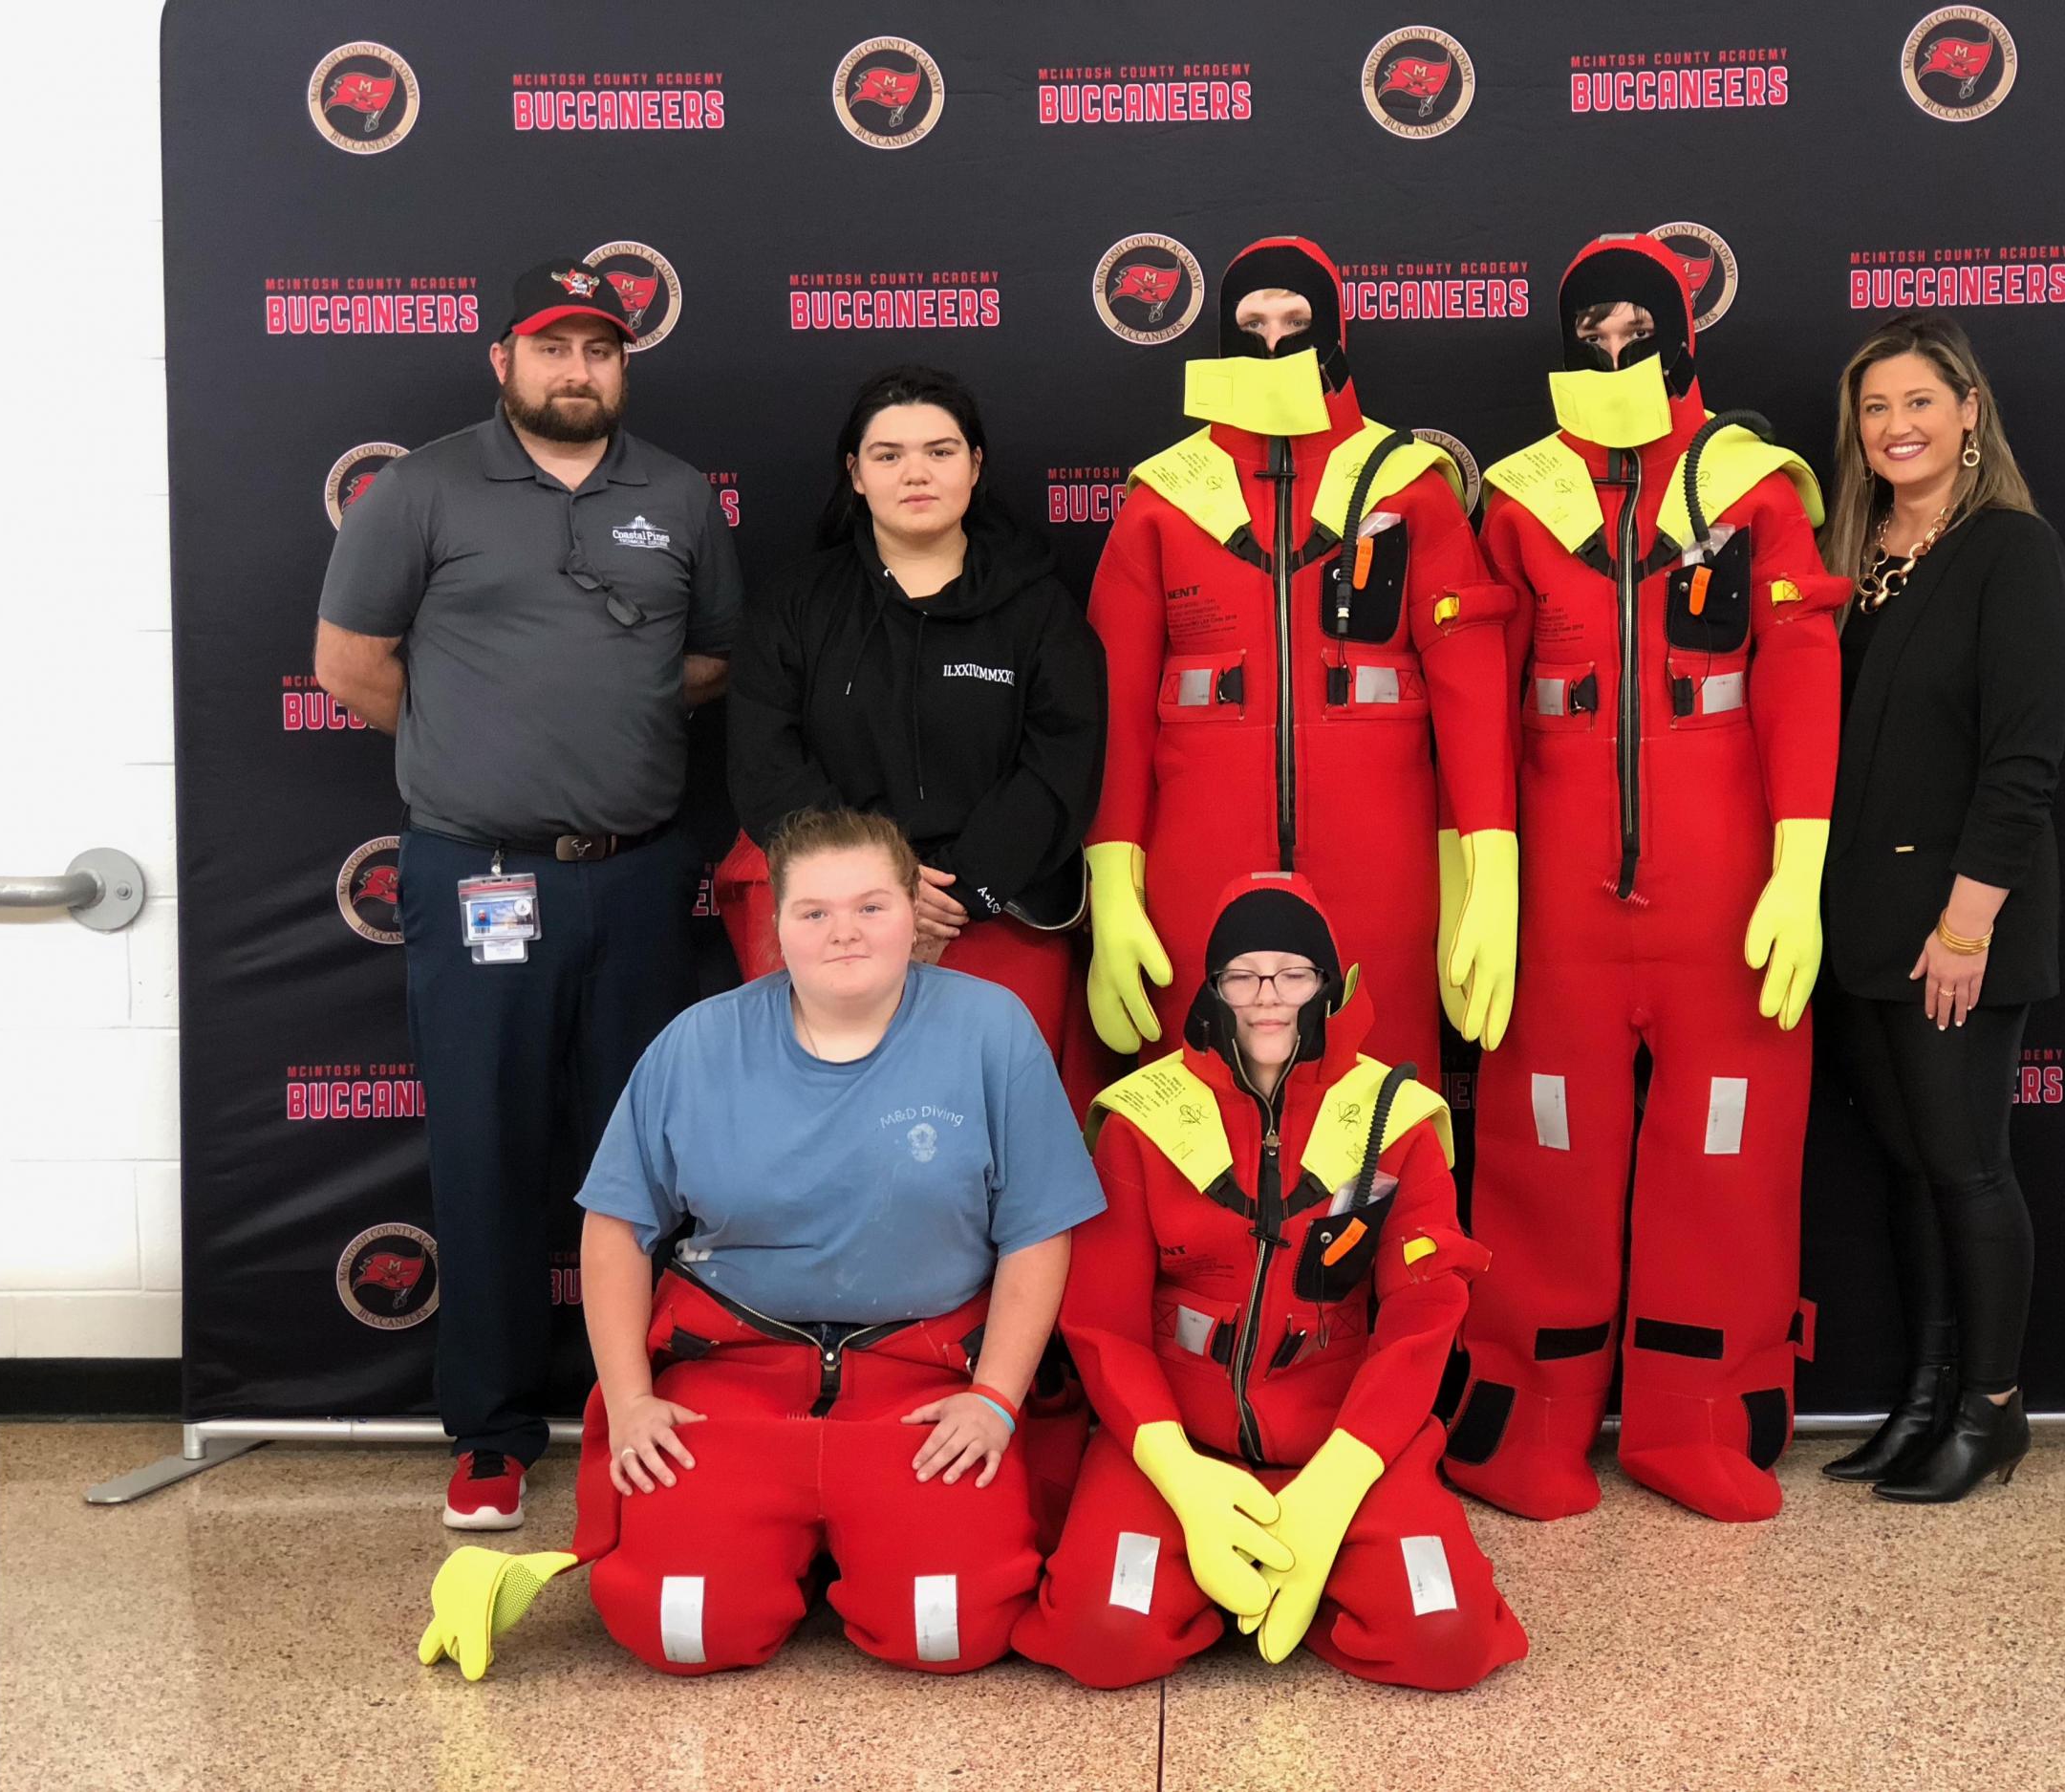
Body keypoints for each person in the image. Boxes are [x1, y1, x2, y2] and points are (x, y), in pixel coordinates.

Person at [416, 808, 1106, 1680]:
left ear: (914, 911)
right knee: (684, 1631)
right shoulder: (697, 1044)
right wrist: (629, 1402)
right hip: (735, 1372)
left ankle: (843, 1540)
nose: (843, 932)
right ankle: (788, 1540)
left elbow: (1040, 1226)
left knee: (948, 1631)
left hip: (922, 1379)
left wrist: (997, 1398)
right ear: (775, 924)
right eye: (813, 911)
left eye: (870, 906)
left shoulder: (991, 1029)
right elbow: (615, 1227)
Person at [314, 257, 742, 1529]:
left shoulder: (674, 494)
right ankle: (493, 1432)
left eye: (601, 350)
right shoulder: (426, 485)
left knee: (651, 1152)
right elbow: (349, 664)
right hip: (477, 873)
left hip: (638, 871)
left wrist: (596, 723)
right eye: (554, 348)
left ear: (624, 364)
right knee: (488, 1148)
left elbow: (714, 657)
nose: (578, 371)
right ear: (502, 359)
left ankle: (649, 1410)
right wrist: (474, 739)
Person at [1440, 233, 1850, 1525]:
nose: (1613, 341)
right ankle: (1532, 1420)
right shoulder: (1515, 498)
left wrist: (1801, 870)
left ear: (1682, 335)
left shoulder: (1756, 487)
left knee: (1724, 1157)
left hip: (1725, 900)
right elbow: (1472, 699)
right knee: (1539, 1151)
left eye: (1636, 319)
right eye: (1592, 323)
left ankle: (1695, 1415)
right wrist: (1483, 880)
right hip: (1558, 907)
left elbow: (1798, 675)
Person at [1014, 873, 1527, 1691]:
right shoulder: (1143, 1120)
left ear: (1328, 983)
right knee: (1103, 1636)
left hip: (1348, 1451)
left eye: (1293, 973)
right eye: (1243, 974)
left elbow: (1424, 1319)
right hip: (1174, 1449)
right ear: (1213, 989)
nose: (1268, 998)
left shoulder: (1392, 1122)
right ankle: (1233, 1579)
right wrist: (1178, 1473)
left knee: (1445, 1640)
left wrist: (1337, 1482)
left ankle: (1303, 1573)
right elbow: (1103, 1326)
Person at [1081, 235, 1519, 1084]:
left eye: (1296, 319)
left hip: (1382, 867)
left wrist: (1487, 878)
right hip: (1197, 863)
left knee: (1382, 1113)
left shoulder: (1410, 487)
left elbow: (1474, 701)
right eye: (1251, 321)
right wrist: (1113, 889)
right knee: (1203, 1113)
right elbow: (1116, 716)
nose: (1275, 340)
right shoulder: (1162, 503)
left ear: (1338, 337)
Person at [1815, 313, 2065, 1502]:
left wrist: (1964, 926)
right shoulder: (1856, 559)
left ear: (1968, 412)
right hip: (1861, 916)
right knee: (1908, 1171)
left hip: (1957, 925)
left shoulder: (2010, 551)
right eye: (1875, 408)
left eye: (1919, 401)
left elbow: (2022, 762)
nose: (1896, 427)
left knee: (1968, 1166)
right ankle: (1921, 1398)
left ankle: (1993, 1406)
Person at [719, 366, 1105, 1073]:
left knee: (996, 1126)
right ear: (856, 474)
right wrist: (875, 890)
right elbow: (763, 757)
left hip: (991, 911)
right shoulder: (797, 602)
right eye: (888, 455)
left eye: (941, 450)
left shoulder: (1040, 608)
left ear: (976, 464)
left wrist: (956, 892)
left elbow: (1061, 758)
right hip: (835, 912)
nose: (915, 473)